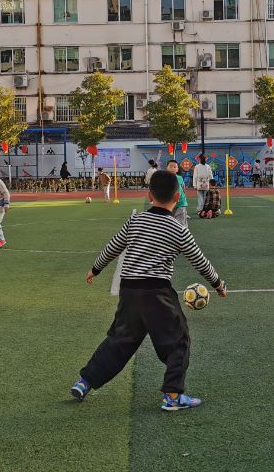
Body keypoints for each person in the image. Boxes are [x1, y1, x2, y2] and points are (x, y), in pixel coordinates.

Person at [70, 169, 227, 411]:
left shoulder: (136, 221)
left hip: (129, 292)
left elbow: (113, 246)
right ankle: (173, 396)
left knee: (119, 341)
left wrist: (96, 268)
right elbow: (199, 260)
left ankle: (84, 381)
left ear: (149, 195)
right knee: (179, 341)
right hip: (157, 293)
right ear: (177, 197)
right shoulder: (178, 228)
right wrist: (217, 283)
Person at [165, 159, 188, 227]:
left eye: (175, 167)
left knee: (180, 224)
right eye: (170, 166)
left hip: (179, 203)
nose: (172, 168)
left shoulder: (178, 178)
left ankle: (183, 235)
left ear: (177, 169)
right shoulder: (165, 178)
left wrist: (177, 199)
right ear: (167, 168)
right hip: (170, 204)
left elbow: (180, 190)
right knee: (172, 223)